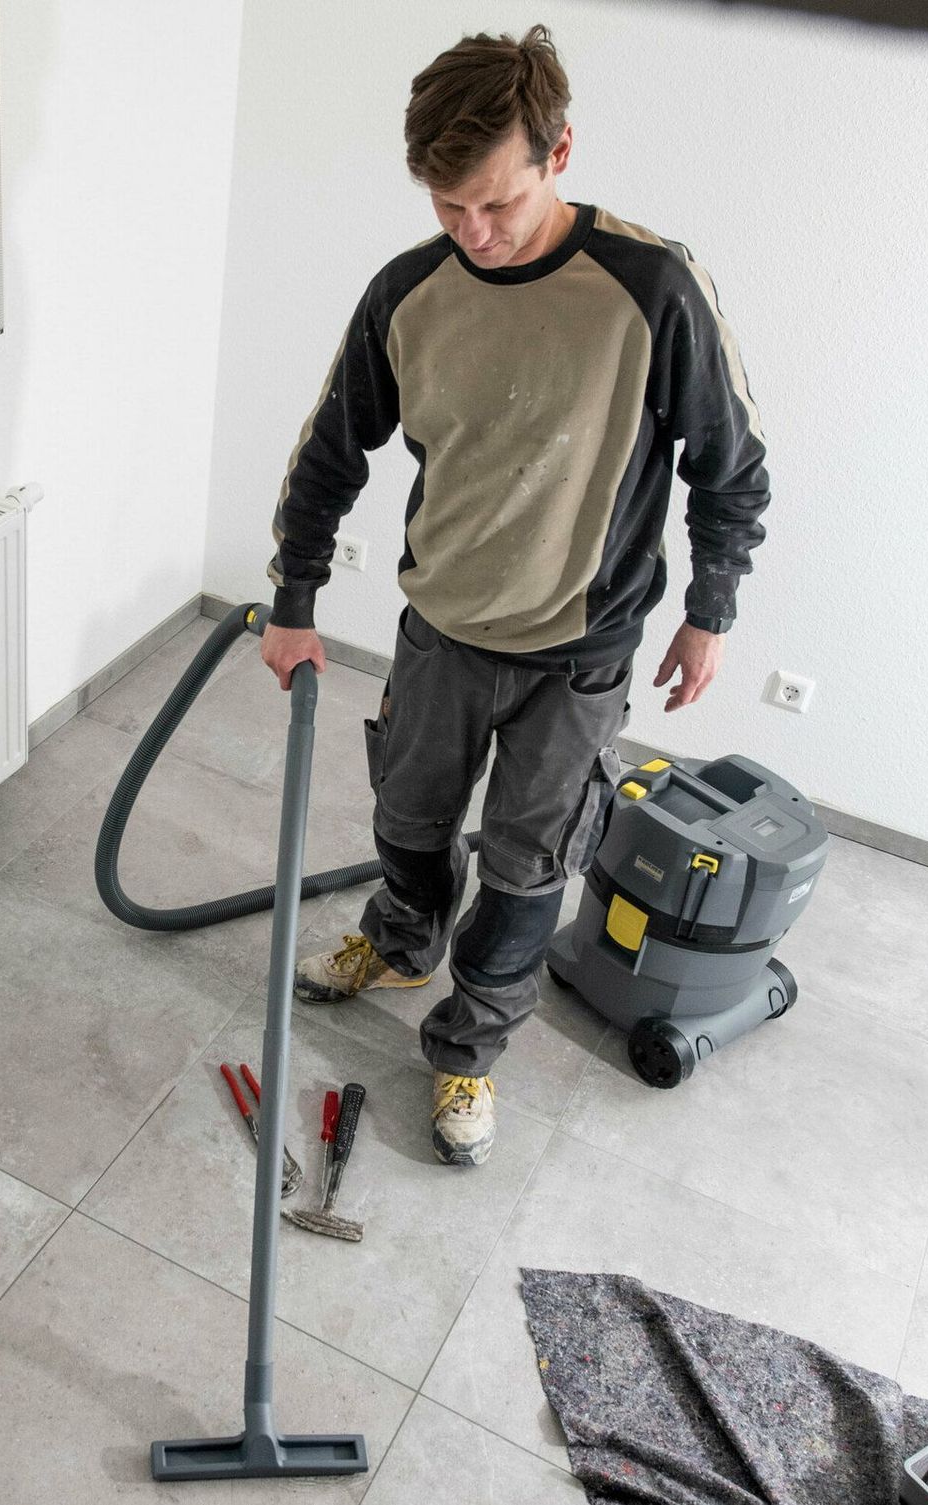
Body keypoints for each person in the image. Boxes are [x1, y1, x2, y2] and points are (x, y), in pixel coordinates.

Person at [261, 26, 770, 1167]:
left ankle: (467, 1050)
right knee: (405, 821)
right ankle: (397, 942)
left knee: (527, 865)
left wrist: (711, 608)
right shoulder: (409, 291)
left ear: (560, 153)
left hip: (580, 649)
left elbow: (728, 463)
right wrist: (292, 597)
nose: (474, 235)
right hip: (441, 627)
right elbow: (330, 450)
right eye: (448, 208)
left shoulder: (652, 287)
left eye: (495, 203)